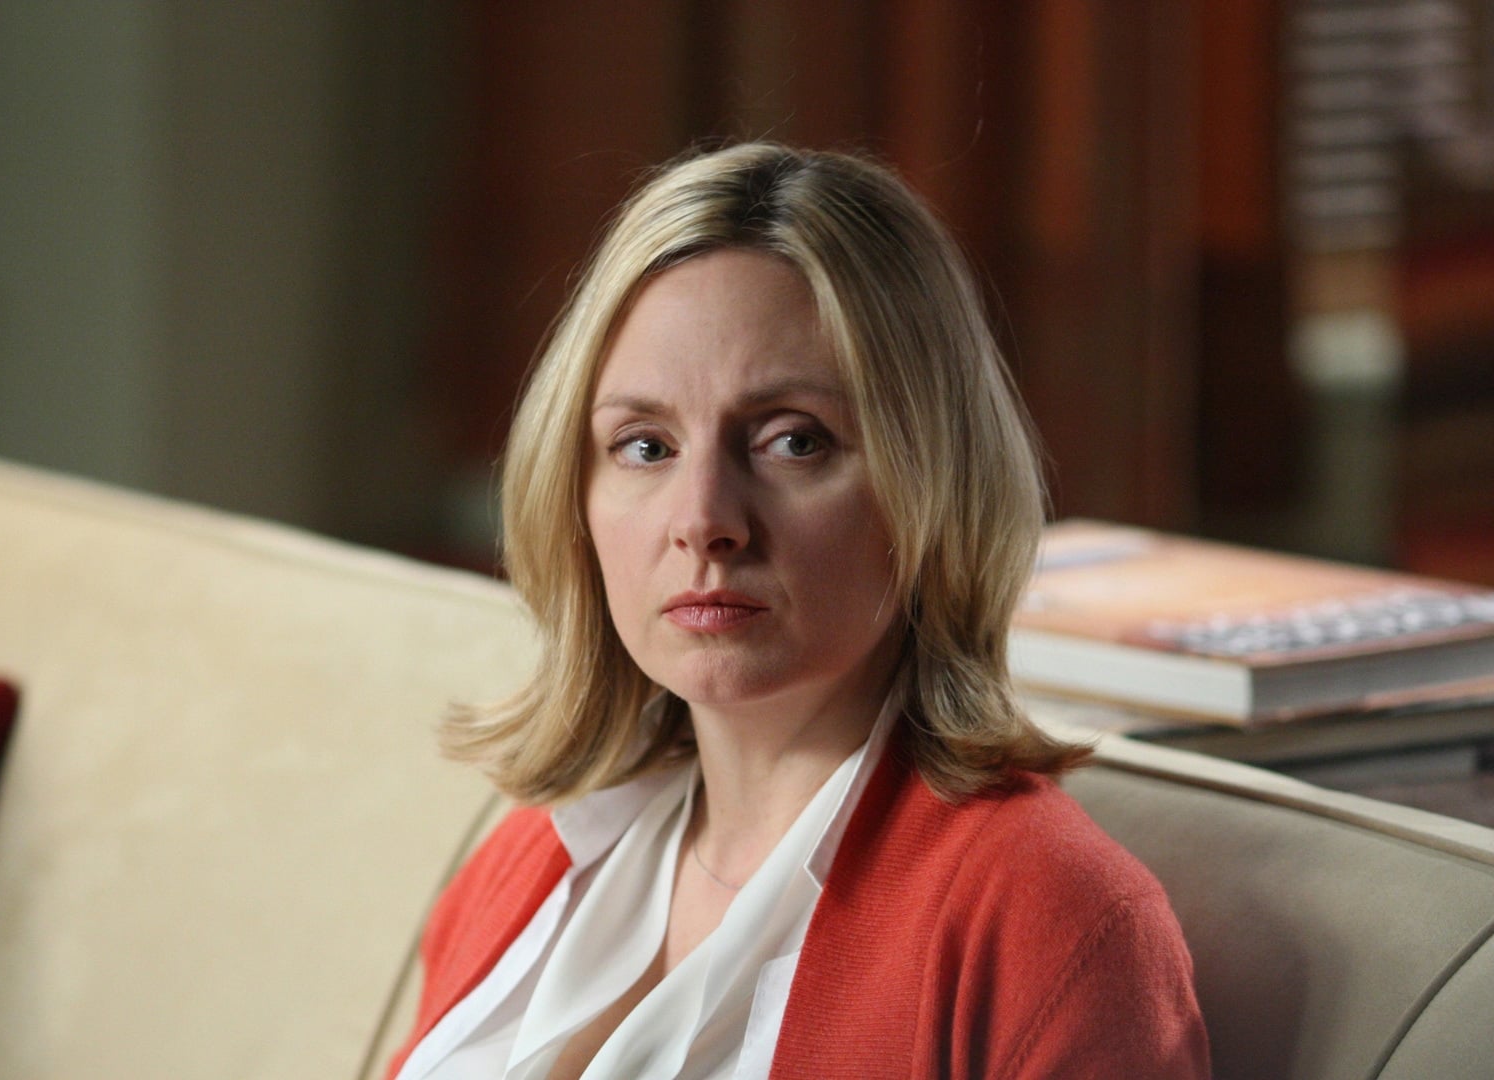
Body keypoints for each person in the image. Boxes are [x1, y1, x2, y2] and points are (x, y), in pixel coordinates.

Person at [388, 143, 1210, 1080]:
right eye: (646, 446)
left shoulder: (1051, 922)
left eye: (792, 441)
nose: (704, 520)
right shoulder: (539, 853)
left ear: (930, 482)